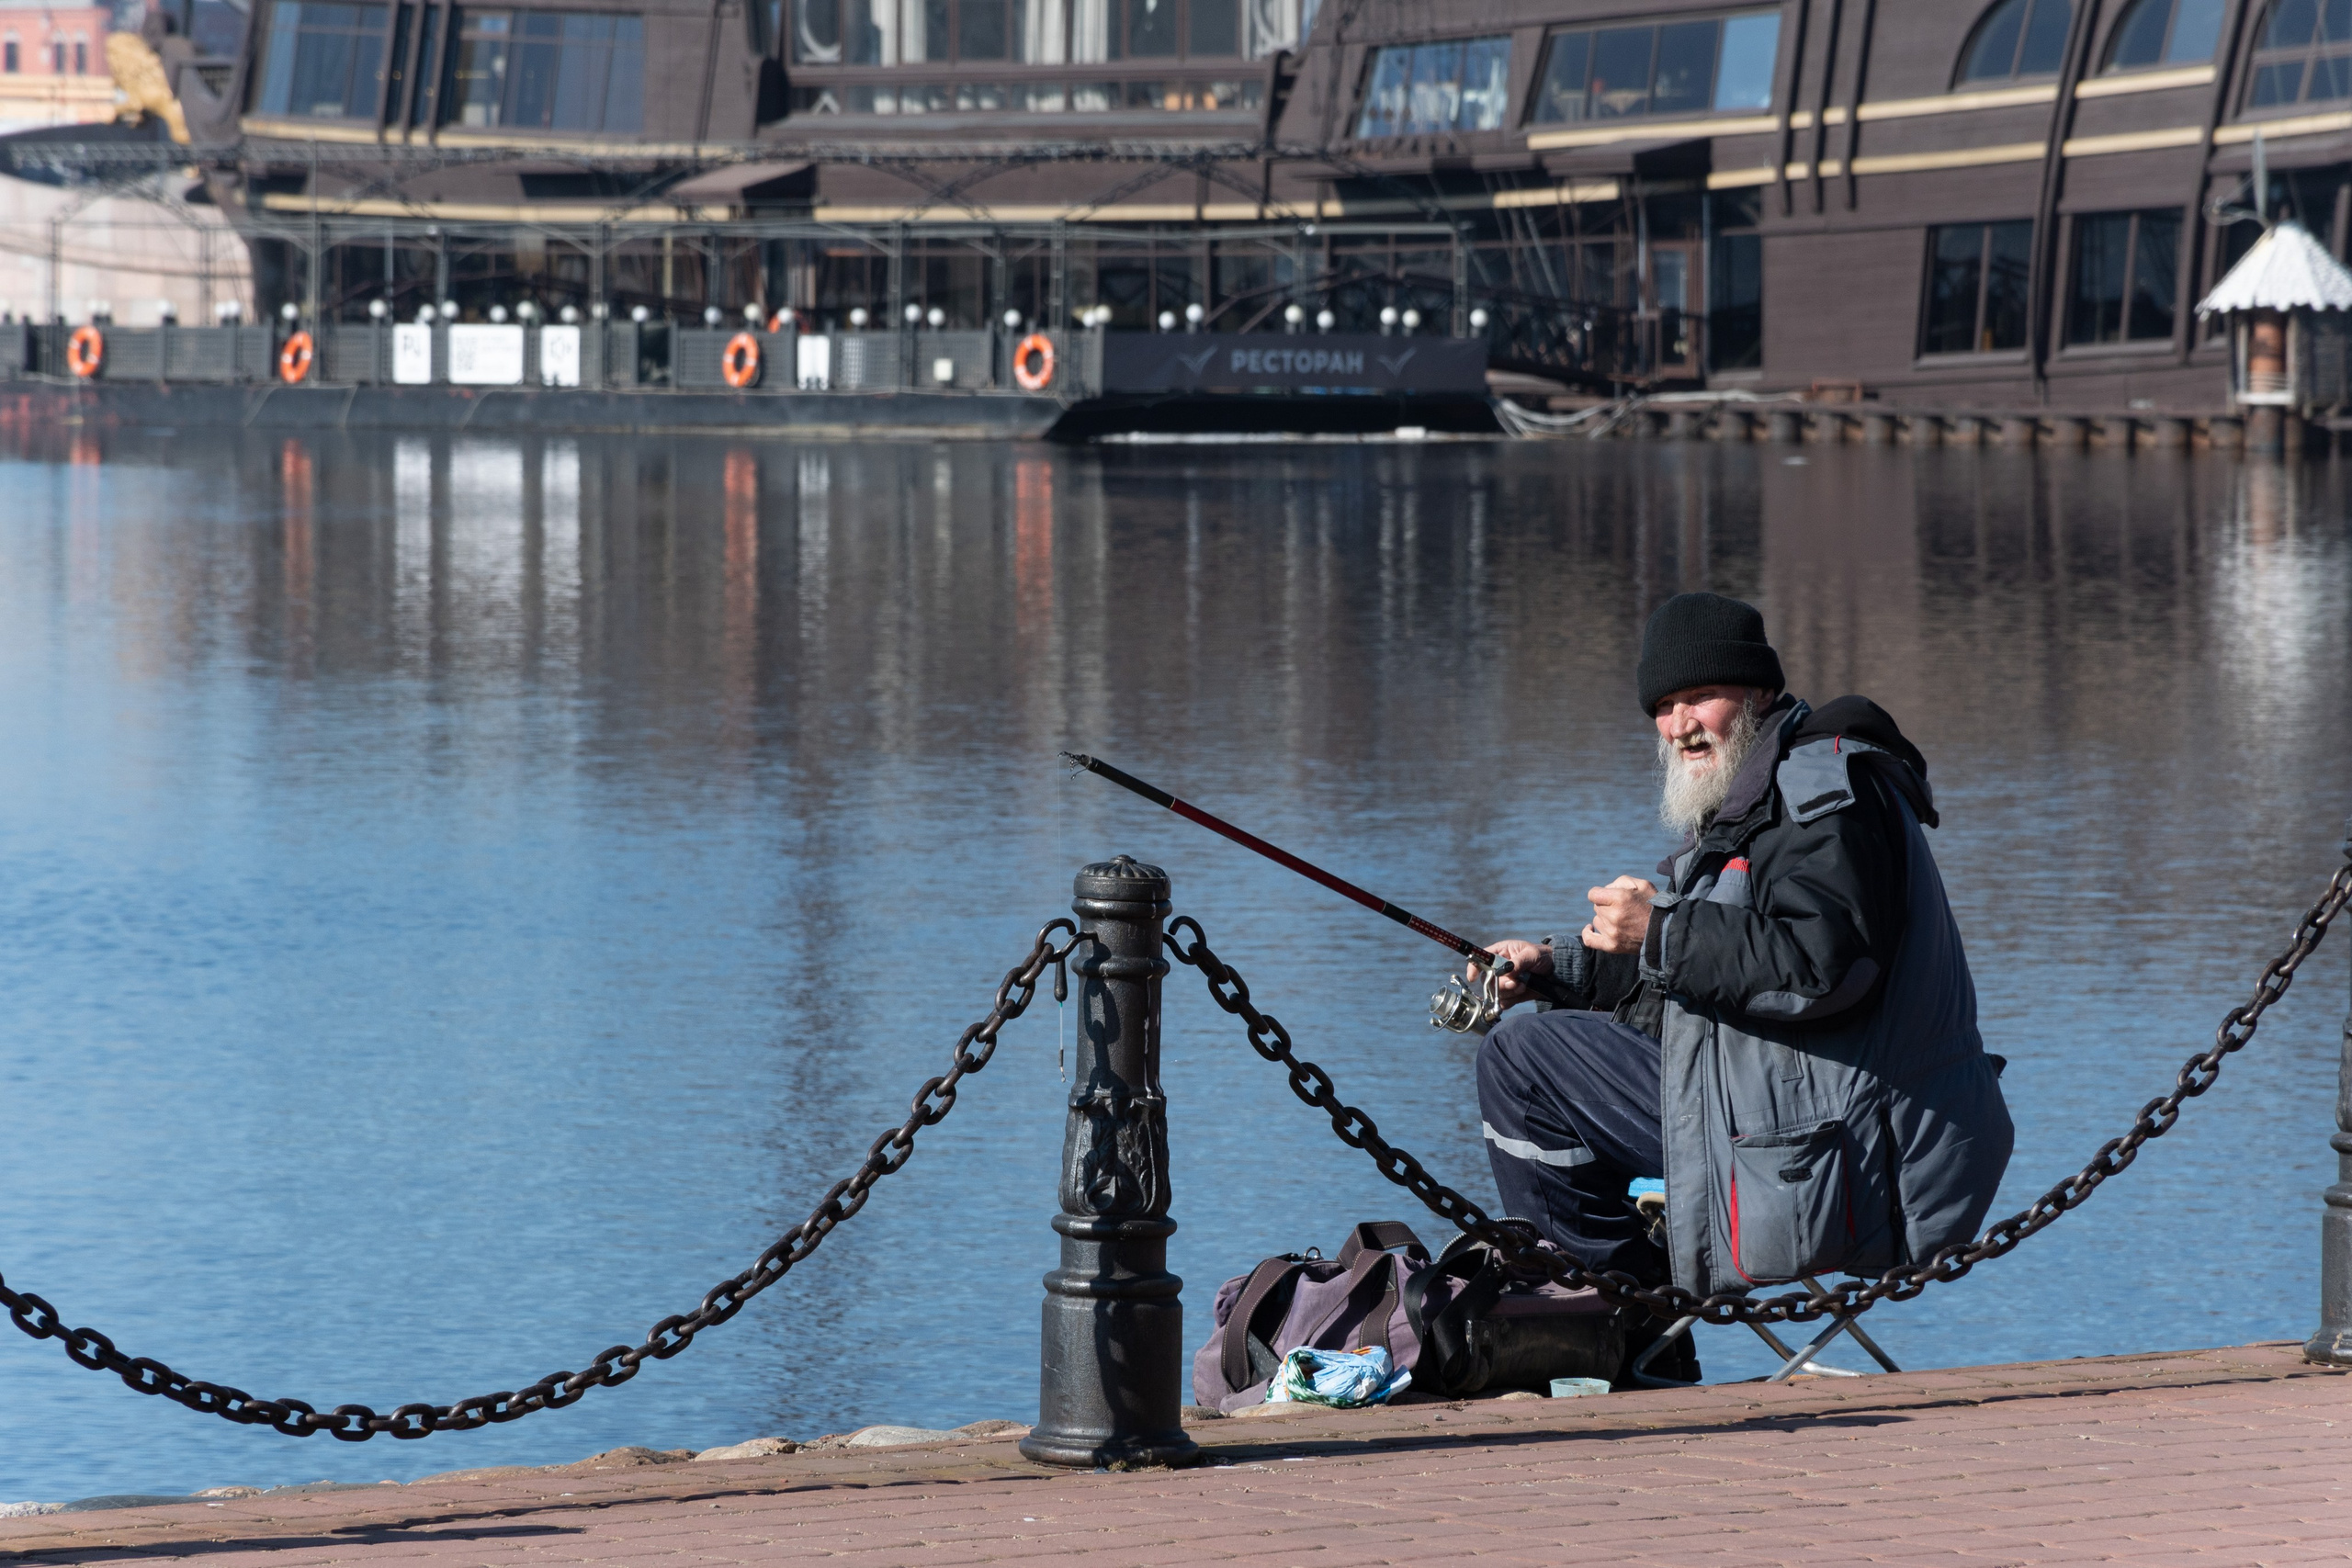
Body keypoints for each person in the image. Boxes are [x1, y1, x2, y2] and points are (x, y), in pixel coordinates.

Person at [1474, 592, 2013, 1303]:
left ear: (1759, 691)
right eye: (1664, 707)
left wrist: (1663, 929)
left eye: (1701, 696)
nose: (1680, 726)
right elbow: (1718, 976)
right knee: (1554, 1038)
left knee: (1525, 1063)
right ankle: (1627, 1321)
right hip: (1818, 1118)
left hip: (1858, 1145)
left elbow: (1823, 968)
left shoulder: (1822, 797)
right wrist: (1557, 972)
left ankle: (1607, 1322)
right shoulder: (1757, 802)